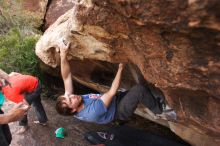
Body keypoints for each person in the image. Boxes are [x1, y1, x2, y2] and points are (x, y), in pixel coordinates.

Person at [55, 40, 168, 124]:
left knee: (140, 87)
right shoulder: (92, 113)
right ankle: (159, 110)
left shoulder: (70, 100)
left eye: (69, 96)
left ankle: (152, 101)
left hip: (114, 99)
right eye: (71, 100)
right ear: (74, 110)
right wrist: (121, 67)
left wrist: (63, 55)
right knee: (139, 90)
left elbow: (66, 76)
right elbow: (111, 92)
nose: (73, 96)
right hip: (118, 111)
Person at [0, 69, 48, 133]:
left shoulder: (10, 93)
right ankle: (43, 121)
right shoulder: (9, 77)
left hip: (35, 87)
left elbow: (23, 105)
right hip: (35, 82)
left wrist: (24, 107)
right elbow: (16, 73)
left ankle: (24, 126)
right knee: (37, 104)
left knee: (22, 108)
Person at [0, 70, 29, 146]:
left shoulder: (10, 86)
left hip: (33, 87)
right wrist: (8, 117)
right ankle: (24, 125)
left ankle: (24, 125)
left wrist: (7, 76)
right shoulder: (9, 93)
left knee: (8, 138)